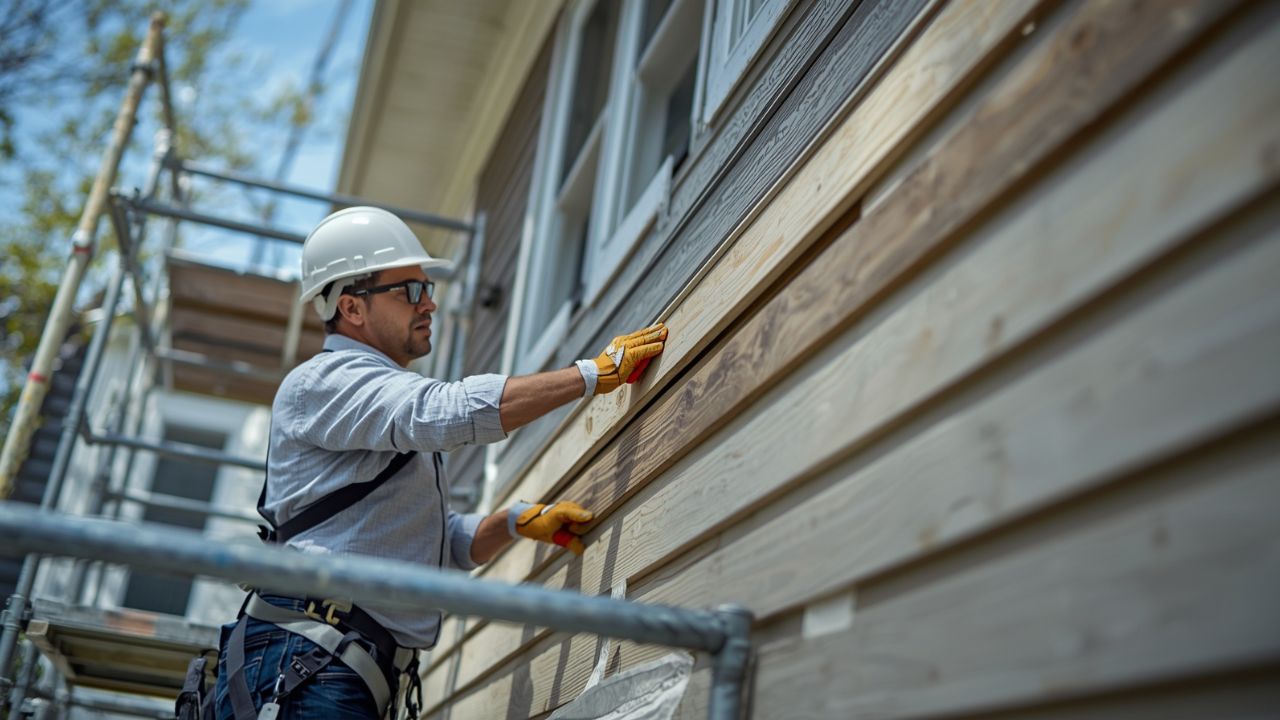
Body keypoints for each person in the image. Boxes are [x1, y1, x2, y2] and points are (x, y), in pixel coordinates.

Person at [213, 206, 667, 720]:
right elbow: (444, 412)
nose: (429, 303)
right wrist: (592, 375)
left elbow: (429, 541)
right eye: (408, 290)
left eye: (427, 287)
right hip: (306, 662)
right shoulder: (324, 382)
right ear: (351, 307)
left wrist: (514, 523)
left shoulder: (379, 401)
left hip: (330, 664)